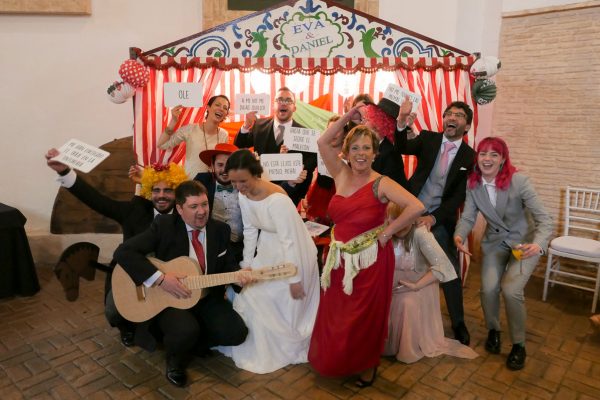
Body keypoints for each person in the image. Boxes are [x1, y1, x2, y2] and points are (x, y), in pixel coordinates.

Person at [308, 106, 424, 388]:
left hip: (371, 262)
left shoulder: (381, 183)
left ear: (375, 153)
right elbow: (323, 142)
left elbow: (416, 206)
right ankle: (339, 360)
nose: (361, 153)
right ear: (346, 153)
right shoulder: (340, 174)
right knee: (339, 314)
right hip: (339, 260)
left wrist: (388, 232)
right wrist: (348, 117)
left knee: (364, 316)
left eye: (367, 148)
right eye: (355, 148)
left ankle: (366, 366)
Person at [45, 148, 187, 347]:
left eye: (168, 190)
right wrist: (65, 173)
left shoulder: (183, 217)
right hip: (128, 274)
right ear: (148, 191)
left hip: (165, 278)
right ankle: (125, 327)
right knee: (113, 311)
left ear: (177, 192)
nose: (161, 196)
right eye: (156, 190)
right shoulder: (134, 211)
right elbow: (96, 200)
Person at [113, 180, 249, 386]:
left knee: (237, 333)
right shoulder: (164, 226)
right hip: (171, 297)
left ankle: (193, 343)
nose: (202, 211)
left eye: (204, 204)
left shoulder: (220, 230)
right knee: (185, 330)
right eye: (194, 206)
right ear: (179, 208)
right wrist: (160, 278)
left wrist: (240, 277)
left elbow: (228, 265)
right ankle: (175, 361)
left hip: (206, 297)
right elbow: (124, 252)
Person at [454, 137, 552, 371]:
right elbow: (468, 216)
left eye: (494, 155)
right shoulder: (473, 184)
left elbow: (545, 219)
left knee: (510, 290)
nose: (487, 159)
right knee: (488, 289)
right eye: (483, 154)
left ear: (503, 159)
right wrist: (459, 235)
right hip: (495, 244)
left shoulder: (520, 181)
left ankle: (519, 345)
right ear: (477, 158)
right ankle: (493, 331)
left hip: (523, 246)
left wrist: (538, 244)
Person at [218, 149, 320, 374]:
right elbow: (250, 229)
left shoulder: (277, 201)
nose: (238, 187)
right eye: (233, 182)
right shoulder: (243, 195)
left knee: (269, 296)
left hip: (293, 253)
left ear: (256, 174)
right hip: (268, 248)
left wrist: (295, 279)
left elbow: (289, 241)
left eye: (242, 181)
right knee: (251, 293)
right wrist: (247, 264)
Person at [395, 100, 476, 345]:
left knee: (448, 268)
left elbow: (458, 196)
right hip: (409, 211)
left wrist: (433, 218)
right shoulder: (429, 139)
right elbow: (402, 147)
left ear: (467, 125)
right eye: (448, 113)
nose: (452, 117)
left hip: (440, 219)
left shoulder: (469, 156)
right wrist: (401, 122)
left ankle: (459, 323)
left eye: (459, 115)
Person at [383, 203, 478, 364]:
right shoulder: (385, 232)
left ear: (412, 219)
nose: (399, 225)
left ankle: (406, 347)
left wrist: (416, 285)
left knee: (406, 303)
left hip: (416, 286)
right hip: (391, 285)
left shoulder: (421, 234)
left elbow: (444, 266)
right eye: (394, 220)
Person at [233, 87, 316, 206]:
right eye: (280, 99)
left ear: (294, 107)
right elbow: (239, 145)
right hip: (260, 193)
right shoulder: (259, 125)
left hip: (289, 195)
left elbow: (311, 164)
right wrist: (246, 125)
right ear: (274, 105)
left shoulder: (305, 133)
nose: (283, 103)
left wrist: (296, 170)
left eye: (288, 100)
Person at [158, 95, 231, 178]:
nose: (221, 109)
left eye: (225, 108)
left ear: (226, 114)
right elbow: (162, 145)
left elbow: (223, 162)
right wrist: (173, 121)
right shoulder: (190, 130)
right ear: (208, 107)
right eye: (217, 105)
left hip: (211, 184)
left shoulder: (224, 135)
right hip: (190, 185)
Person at [195, 143, 243, 263]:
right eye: (220, 165)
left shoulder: (246, 184)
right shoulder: (202, 181)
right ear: (212, 166)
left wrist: (291, 184)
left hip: (242, 248)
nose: (225, 170)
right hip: (212, 249)